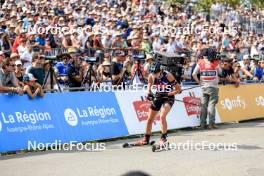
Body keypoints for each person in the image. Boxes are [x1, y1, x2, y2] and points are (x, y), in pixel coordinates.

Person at [135, 62, 182, 146]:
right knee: (150, 118)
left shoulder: (168, 75)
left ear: (160, 70)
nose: (154, 75)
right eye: (153, 73)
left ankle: (163, 138)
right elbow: (149, 84)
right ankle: (146, 139)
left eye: (156, 73)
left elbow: (178, 89)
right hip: (158, 97)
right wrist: (149, 93)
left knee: (162, 116)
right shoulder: (151, 75)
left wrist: (166, 94)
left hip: (168, 97)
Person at [192, 48, 222, 129]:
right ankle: (211, 124)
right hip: (213, 86)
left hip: (203, 86)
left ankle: (202, 124)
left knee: (203, 106)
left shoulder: (200, 62)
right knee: (212, 105)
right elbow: (221, 72)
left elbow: (194, 74)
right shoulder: (215, 62)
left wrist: (199, 82)